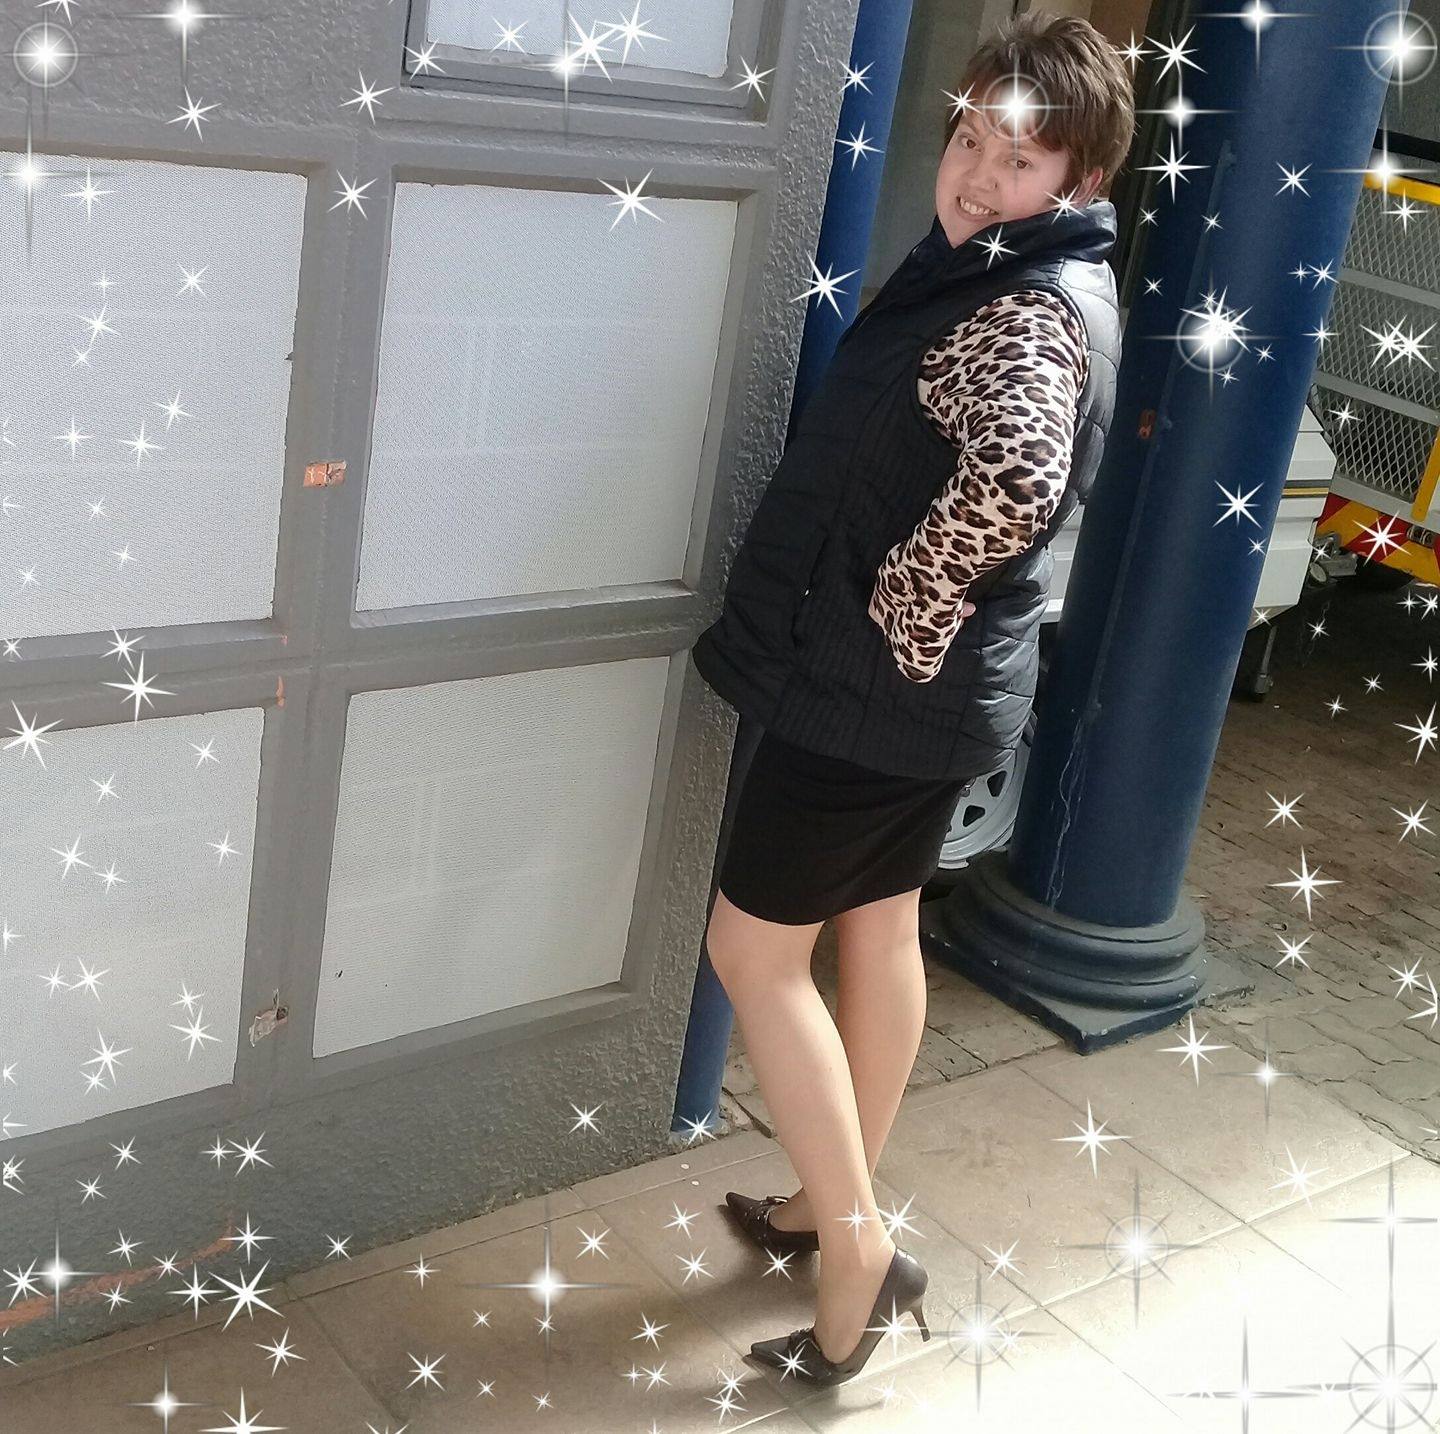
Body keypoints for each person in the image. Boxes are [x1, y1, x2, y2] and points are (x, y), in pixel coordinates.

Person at [688, 10, 1137, 1388]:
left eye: (1020, 160)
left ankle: (856, 1252)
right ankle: (829, 1205)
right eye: (971, 140)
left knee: (753, 954)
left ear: (1079, 179)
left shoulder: (1021, 308)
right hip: (931, 704)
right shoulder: (1032, 273)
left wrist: (903, 606)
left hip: (870, 696)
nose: (979, 176)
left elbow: (1015, 479)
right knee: (878, 930)